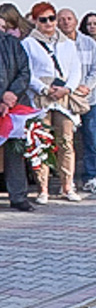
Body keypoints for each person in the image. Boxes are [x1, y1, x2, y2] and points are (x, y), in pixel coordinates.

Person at [23, 2, 82, 202]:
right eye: (43, 19)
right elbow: (27, 72)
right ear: (35, 21)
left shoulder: (68, 43)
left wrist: (68, 88)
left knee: (65, 141)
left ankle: (67, 186)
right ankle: (43, 188)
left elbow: (76, 69)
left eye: (51, 18)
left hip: (63, 97)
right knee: (41, 142)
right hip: (41, 97)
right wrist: (44, 89)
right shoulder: (28, 44)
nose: (49, 23)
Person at [63, 10, 96, 193]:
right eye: (61, 19)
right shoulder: (56, 44)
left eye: (69, 18)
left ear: (76, 21)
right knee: (65, 142)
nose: (65, 22)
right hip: (64, 100)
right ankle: (67, 180)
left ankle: (91, 177)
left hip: (88, 99)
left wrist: (86, 86)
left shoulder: (89, 43)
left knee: (91, 141)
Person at [1, 25, 33, 210]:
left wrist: (11, 94)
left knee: (15, 152)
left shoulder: (13, 44)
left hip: (13, 105)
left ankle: (18, 196)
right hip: (4, 101)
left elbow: (24, 71)